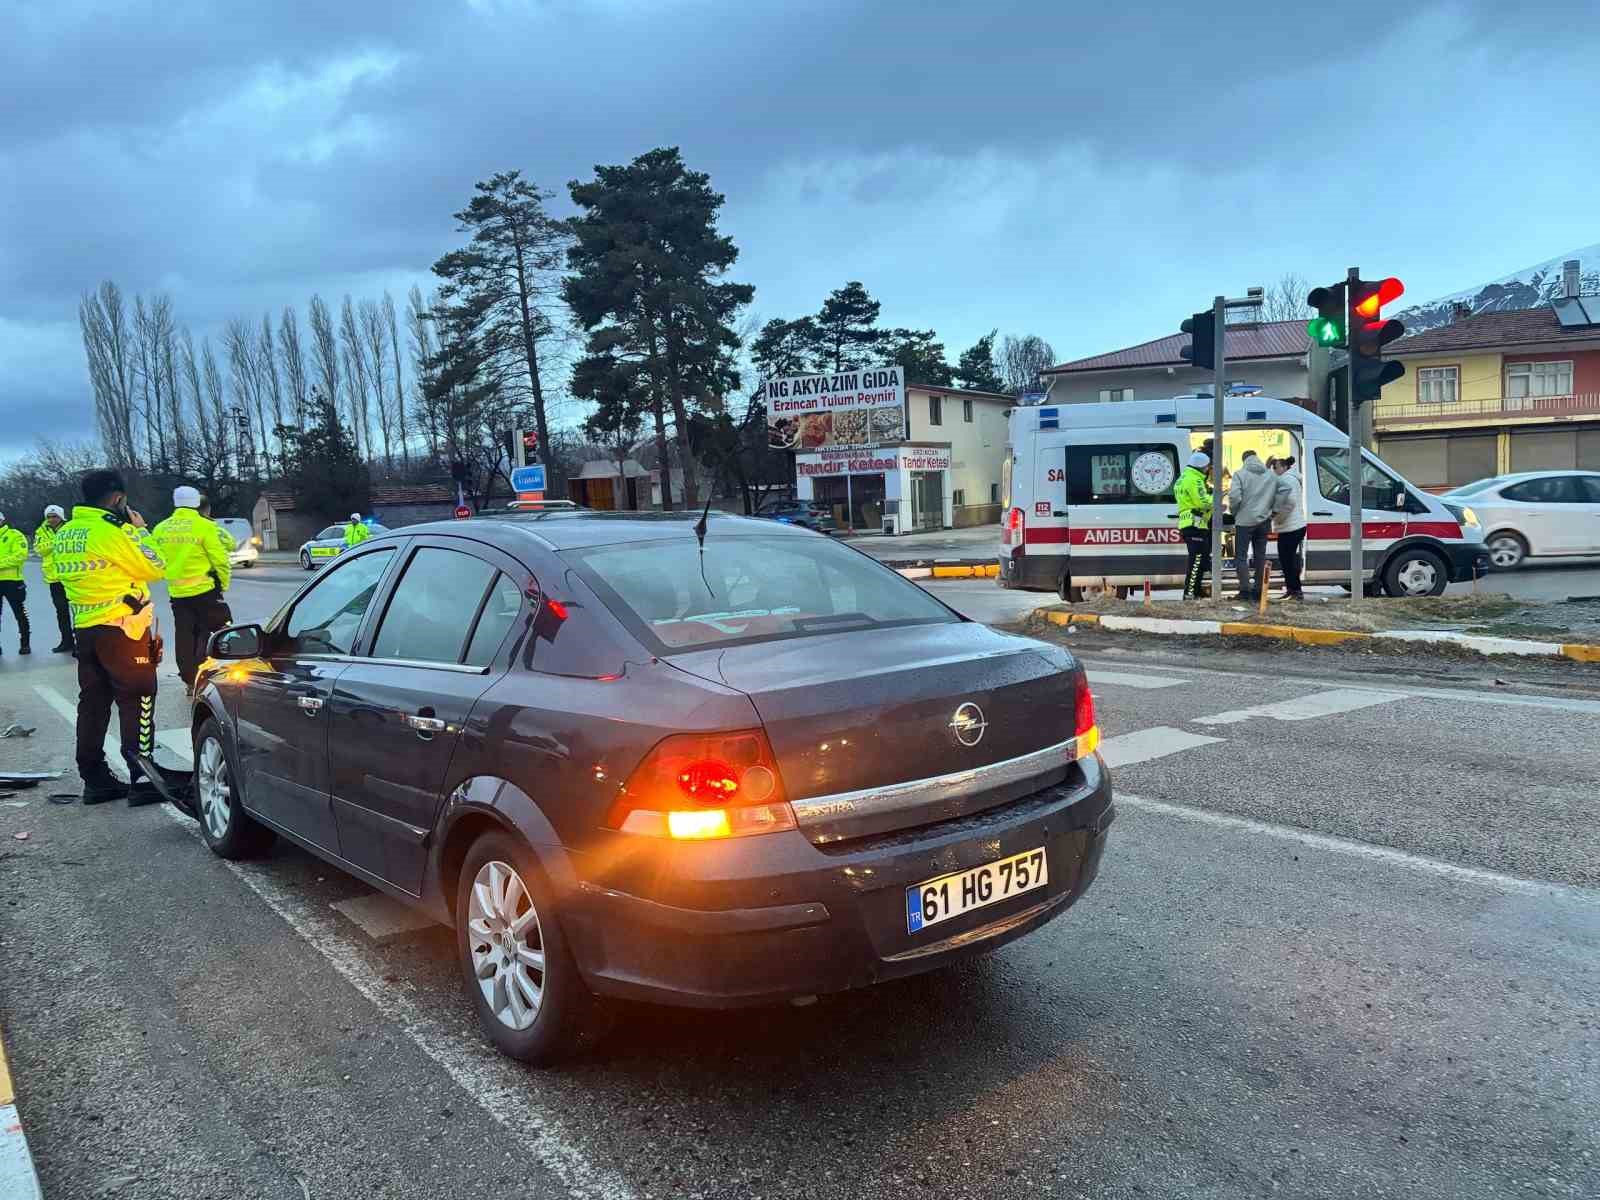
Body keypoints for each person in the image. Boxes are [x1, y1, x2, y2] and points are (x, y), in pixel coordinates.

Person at [52, 469, 167, 806]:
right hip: (123, 629)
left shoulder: (66, 532)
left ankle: (95, 779)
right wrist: (141, 530)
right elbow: (155, 567)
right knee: (140, 697)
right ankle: (143, 776)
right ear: (118, 498)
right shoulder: (112, 531)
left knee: (93, 704)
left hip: (86, 629)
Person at [151, 486, 234, 690]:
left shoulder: (161, 528)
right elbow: (221, 559)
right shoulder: (204, 526)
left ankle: (189, 679)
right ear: (197, 503)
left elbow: (153, 558)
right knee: (220, 629)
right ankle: (214, 673)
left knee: (185, 636)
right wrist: (223, 584)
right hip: (205, 590)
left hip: (177, 593)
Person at [1228, 450, 1279, 601]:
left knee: (1241, 557)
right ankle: (1258, 591)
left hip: (1244, 521)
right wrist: (1272, 512)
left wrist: (1235, 512)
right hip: (1264, 521)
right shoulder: (1271, 475)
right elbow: (1282, 493)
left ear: (1244, 460)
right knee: (1260, 556)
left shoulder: (1240, 474)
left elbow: (1234, 496)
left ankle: (1245, 591)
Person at [32, 504, 75, 654]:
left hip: (72, 576)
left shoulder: (71, 527)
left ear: (61, 517)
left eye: (54, 516)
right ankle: (66, 641)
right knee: (61, 612)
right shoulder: (41, 531)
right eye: (49, 517)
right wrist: (58, 541)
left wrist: (54, 542)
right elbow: (40, 550)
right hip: (54, 579)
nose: (51, 519)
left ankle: (82, 642)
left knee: (78, 612)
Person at [1176, 451, 1214, 599]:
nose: (1208, 469)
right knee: (1197, 561)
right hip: (1195, 525)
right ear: (1201, 466)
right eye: (1207, 467)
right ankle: (1190, 593)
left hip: (1190, 524)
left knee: (1200, 559)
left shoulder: (1183, 478)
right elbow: (1202, 502)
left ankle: (1196, 591)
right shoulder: (1195, 480)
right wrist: (1215, 499)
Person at [1270, 456, 1307, 601]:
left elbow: (1289, 502)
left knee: (1287, 560)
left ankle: (1295, 590)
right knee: (1288, 560)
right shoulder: (1293, 478)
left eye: (1276, 467)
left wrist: (1276, 518)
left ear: (1284, 467)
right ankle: (1292, 589)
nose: (1274, 470)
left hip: (1290, 527)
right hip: (1294, 526)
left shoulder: (1286, 479)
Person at [0, 511, 30, 655]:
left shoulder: (15, 535)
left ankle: (25, 644)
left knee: (20, 613)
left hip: (13, 582)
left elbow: (20, 556)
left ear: (2, 521)